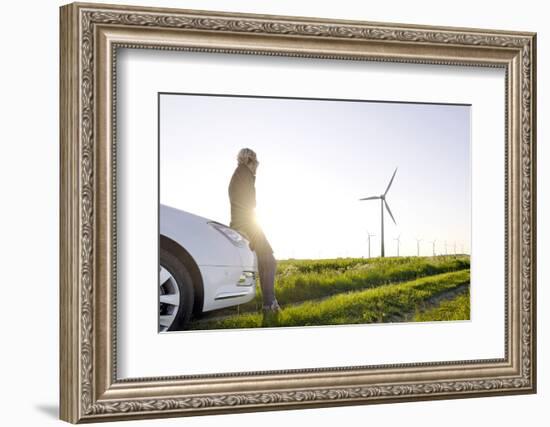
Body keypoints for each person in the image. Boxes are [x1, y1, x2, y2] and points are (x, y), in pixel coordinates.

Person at [228, 148, 281, 314]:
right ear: (250, 160)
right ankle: (269, 304)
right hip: (248, 223)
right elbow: (249, 203)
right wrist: (244, 228)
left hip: (243, 222)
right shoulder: (244, 174)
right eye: (256, 162)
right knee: (269, 261)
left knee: (255, 263)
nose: (257, 166)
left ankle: (264, 303)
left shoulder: (239, 174)